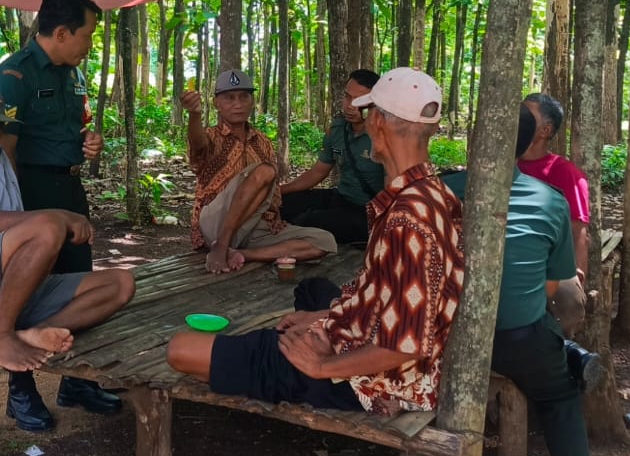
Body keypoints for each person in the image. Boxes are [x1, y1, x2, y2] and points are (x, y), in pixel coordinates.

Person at [167, 67, 463, 419]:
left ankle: (288, 363)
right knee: (312, 293)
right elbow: (395, 303)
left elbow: (406, 344)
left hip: (372, 379)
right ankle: (308, 332)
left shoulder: (408, 219)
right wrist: (328, 319)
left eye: (368, 114)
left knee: (181, 349)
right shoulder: (435, 194)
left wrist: (322, 364)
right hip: (363, 342)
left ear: (379, 124)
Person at [0, 82, 135, 432]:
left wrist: (87, 142)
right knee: (47, 226)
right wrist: (61, 217)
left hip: (13, 290)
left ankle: (33, 333)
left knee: (120, 283)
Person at [440, 106, 603, 456]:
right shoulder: (550, 201)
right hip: (517, 340)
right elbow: (550, 289)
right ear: (527, 144)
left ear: (477, 141)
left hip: (442, 335)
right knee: (559, 397)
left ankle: (568, 354)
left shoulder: (439, 191)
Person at [0, 0, 121, 417]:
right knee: (27, 286)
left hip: (69, 189)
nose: (90, 44)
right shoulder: (14, 77)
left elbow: (70, 128)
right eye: (87, 35)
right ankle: (20, 389)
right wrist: (22, 219)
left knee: (77, 283)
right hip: (31, 194)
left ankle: (76, 382)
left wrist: (88, 143)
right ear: (61, 32)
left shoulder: (72, 73)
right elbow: (3, 151)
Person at [181, 68, 337, 274]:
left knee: (324, 241)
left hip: (252, 227)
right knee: (264, 172)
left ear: (252, 101)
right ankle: (221, 244)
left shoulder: (262, 141)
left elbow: (271, 194)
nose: (237, 104)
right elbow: (198, 144)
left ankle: (240, 254)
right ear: (216, 104)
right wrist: (194, 115)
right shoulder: (211, 136)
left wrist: (275, 219)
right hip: (216, 224)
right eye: (229, 98)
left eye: (244, 97)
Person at [518, 93, 603, 392]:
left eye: (529, 115)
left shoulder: (565, 174)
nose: (520, 119)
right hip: (510, 261)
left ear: (546, 130)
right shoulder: (504, 166)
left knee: (565, 301)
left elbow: (579, 232)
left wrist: (577, 275)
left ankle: (562, 361)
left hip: (551, 265)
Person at [278, 69, 385, 245]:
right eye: (347, 97)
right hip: (341, 197)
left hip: (368, 212)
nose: (350, 106)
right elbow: (318, 172)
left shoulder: (385, 135)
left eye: (360, 101)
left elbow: (397, 186)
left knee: (308, 222)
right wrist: (279, 191)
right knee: (284, 205)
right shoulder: (337, 129)